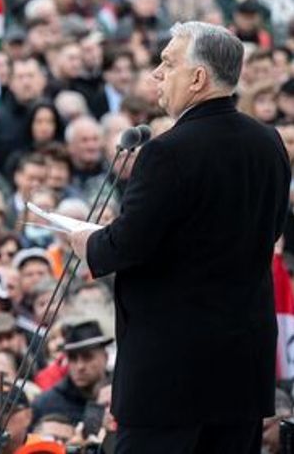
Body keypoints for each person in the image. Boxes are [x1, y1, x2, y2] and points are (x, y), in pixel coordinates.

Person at [69, 22, 291, 453]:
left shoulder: (167, 151)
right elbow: (271, 229)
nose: (157, 73)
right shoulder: (269, 142)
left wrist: (87, 242)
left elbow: (125, 245)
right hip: (242, 369)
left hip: (170, 379)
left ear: (198, 78)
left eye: (168, 63)